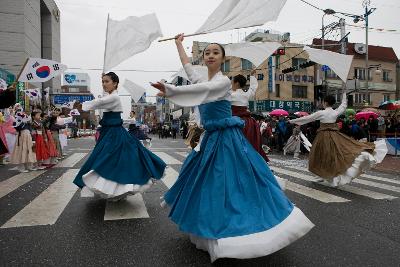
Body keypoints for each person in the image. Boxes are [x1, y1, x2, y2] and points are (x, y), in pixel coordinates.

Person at [151, 34, 313, 262]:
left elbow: (200, 91)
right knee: (206, 181)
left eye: (215, 52)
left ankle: (236, 232)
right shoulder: (202, 79)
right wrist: (178, 44)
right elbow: (188, 69)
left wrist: (171, 91)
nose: (210, 55)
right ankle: (208, 227)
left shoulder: (223, 82)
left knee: (229, 181)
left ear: (223, 59)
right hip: (211, 139)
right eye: (207, 52)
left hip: (227, 139)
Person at [73, 72, 166, 200]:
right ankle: (115, 191)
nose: (104, 84)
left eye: (107, 81)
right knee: (110, 160)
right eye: (103, 82)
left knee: (107, 159)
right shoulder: (110, 96)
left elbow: (99, 102)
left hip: (114, 134)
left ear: (115, 83)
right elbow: (102, 101)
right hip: (108, 133)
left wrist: (83, 106)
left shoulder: (114, 97)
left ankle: (118, 189)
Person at [289, 91, 387, 187]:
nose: (322, 103)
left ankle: (323, 175)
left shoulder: (321, 113)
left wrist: (292, 121)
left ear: (325, 102)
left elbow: (307, 119)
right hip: (335, 136)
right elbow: (343, 105)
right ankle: (325, 175)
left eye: (323, 102)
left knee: (320, 156)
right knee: (334, 155)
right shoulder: (335, 112)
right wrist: (344, 94)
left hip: (323, 137)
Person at [231, 73, 269, 162]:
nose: (231, 84)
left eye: (232, 82)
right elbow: (253, 88)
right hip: (249, 123)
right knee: (250, 144)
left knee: (235, 146)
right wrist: (252, 77)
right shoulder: (246, 94)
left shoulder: (231, 96)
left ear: (236, 83)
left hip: (235, 123)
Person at [10, 108, 37, 172]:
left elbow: (31, 128)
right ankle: (21, 167)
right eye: (27, 111)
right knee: (22, 150)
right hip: (22, 136)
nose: (28, 113)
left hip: (28, 136)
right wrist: (22, 121)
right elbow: (16, 127)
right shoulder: (19, 118)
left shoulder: (28, 119)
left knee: (29, 150)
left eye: (29, 111)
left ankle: (29, 165)